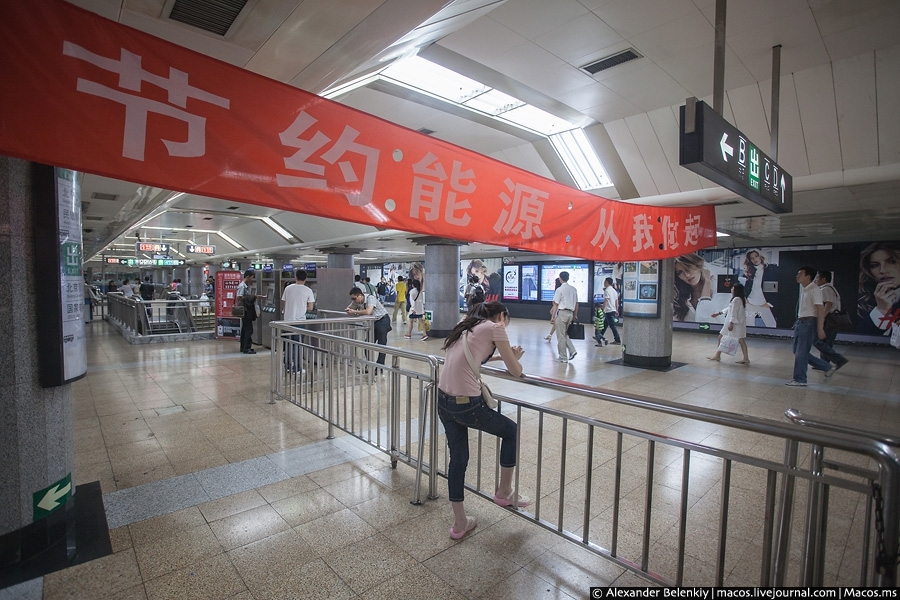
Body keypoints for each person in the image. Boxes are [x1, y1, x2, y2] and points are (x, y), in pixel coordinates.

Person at [436, 301, 529, 540]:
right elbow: (516, 371)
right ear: (501, 315)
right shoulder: (495, 327)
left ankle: (459, 523)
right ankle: (505, 492)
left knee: (458, 460)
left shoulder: (465, 325)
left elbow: (473, 357)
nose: (505, 324)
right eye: (505, 319)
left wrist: (501, 358)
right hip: (468, 403)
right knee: (511, 431)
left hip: (444, 401)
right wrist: (514, 359)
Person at [786, 267, 833, 386]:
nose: (797, 276)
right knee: (797, 350)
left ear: (808, 276)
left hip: (808, 323)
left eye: (800, 274)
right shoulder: (805, 289)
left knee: (801, 352)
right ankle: (826, 366)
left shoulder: (814, 289)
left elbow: (820, 309)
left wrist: (820, 328)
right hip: (801, 322)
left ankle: (800, 379)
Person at [857, 241, 900, 336]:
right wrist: (881, 311)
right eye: (874, 265)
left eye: (891, 261)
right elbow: (862, 336)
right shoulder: (863, 302)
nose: (883, 270)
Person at [346, 287, 392, 366]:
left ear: (360, 295)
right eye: (352, 299)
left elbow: (368, 311)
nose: (353, 301)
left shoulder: (370, 298)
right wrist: (350, 310)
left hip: (382, 320)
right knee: (367, 345)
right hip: (373, 322)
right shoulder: (356, 302)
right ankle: (370, 365)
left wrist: (355, 311)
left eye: (354, 298)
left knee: (382, 345)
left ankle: (379, 366)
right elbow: (349, 309)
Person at [814, 270, 849, 372]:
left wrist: (822, 317)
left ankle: (839, 359)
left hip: (829, 319)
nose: (815, 280)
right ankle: (824, 364)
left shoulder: (826, 289)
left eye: (817, 278)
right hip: (833, 319)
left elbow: (828, 304)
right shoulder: (831, 288)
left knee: (819, 341)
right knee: (826, 342)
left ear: (823, 279)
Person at [282, 269, 316, 372]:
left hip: (287, 321)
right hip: (299, 322)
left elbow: (283, 303)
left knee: (288, 343)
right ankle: (297, 367)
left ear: (295, 277)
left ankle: (288, 366)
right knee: (298, 344)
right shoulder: (308, 290)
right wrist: (301, 307)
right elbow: (310, 308)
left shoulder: (288, 288)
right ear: (306, 278)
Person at [707, 283, 750, 364]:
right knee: (739, 339)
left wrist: (731, 324)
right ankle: (718, 355)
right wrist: (719, 313)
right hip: (737, 323)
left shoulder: (736, 300)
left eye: (733, 288)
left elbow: (733, 312)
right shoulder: (740, 299)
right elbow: (730, 308)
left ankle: (718, 355)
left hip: (733, 324)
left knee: (723, 337)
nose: (731, 289)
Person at [742, 249, 777, 327]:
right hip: (750, 302)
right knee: (749, 325)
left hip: (763, 302)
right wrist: (745, 298)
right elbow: (744, 286)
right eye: (752, 258)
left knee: (772, 324)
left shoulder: (770, 269)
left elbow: (776, 287)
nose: (755, 259)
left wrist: (770, 302)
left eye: (756, 256)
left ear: (760, 256)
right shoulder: (749, 271)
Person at [673, 253, 712, 322]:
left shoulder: (715, 289)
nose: (687, 275)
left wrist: (707, 282)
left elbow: (704, 321)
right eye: (680, 272)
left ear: (697, 265)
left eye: (688, 267)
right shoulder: (681, 297)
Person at [550, 271, 578, 362]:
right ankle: (572, 351)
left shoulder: (559, 290)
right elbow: (577, 303)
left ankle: (563, 357)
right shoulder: (573, 289)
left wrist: (553, 316)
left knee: (560, 336)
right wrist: (575, 314)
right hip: (570, 313)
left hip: (562, 313)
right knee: (564, 334)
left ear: (560, 278)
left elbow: (556, 304)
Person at [236, 269, 263, 355]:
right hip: (246, 310)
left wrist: (254, 297)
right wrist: (252, 297)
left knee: (245, 329)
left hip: (246, 310)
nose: (252, 280)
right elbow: (239, 297)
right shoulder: (242, 286)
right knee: (248, 329)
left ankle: (243, 347)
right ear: (247, 277)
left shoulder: (245, 286)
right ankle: (246, 348)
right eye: (251, 278)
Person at [599, 277, 621, 345]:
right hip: (613, 309)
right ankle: (599, 336)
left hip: (608, 310)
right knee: (605, 324)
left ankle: (617, 340)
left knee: (612, 326)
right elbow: (616, 301)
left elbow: (606, 300)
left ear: (607, 282)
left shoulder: (607, 290)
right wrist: (616, 310)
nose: (604, 283)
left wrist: (603, 309)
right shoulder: (614, 291)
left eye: (605, 281)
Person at [544, 277, 562, 342]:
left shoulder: (559, 290)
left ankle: (550, 335)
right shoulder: (559, 290)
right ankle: (550, 335)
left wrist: (553, 311)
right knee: (556, 323)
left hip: (559, 309)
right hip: (558, 309)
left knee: (557, 323)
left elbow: (556, 302)